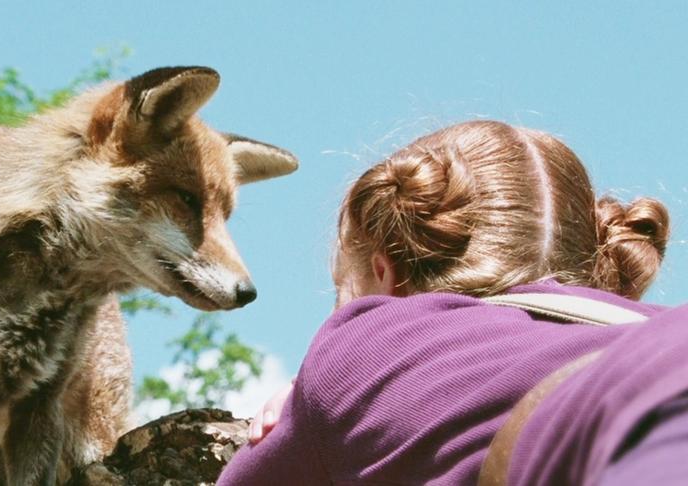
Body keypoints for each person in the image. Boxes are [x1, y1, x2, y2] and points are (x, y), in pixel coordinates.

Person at [216, 120, 688, 485]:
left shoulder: (372, 342)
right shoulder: (647, 328)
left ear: (385, 272)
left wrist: (313, 399)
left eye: (344, 291)